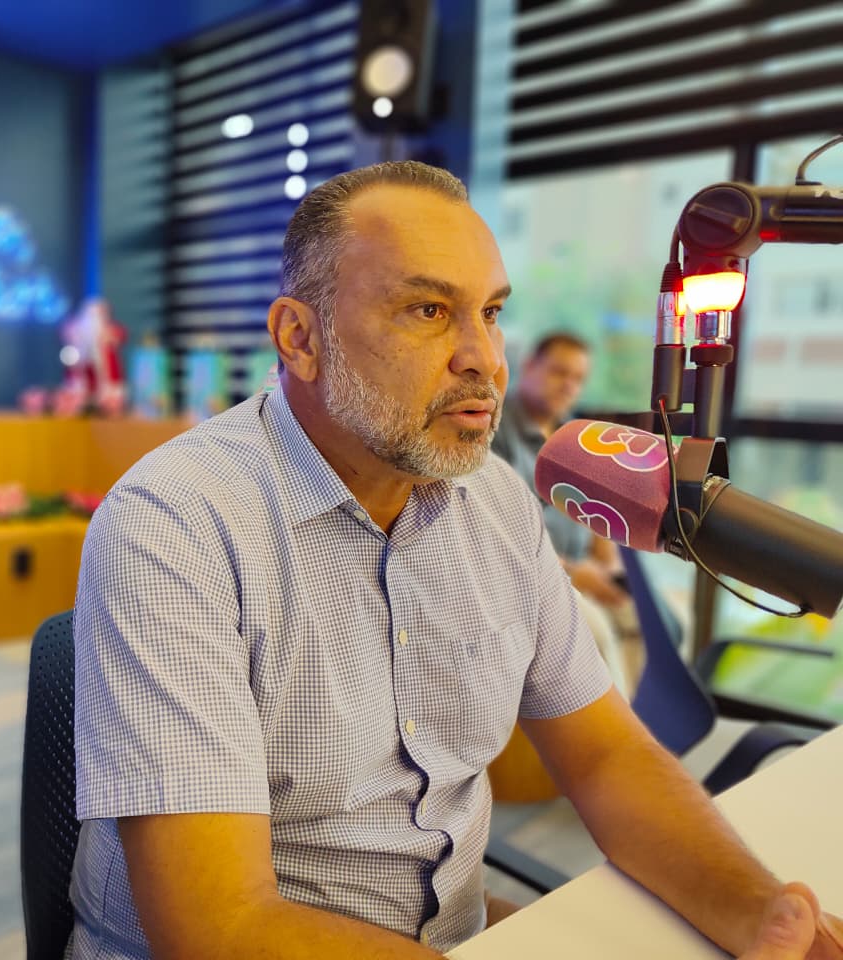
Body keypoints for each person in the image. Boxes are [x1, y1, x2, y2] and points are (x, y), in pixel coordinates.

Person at [69, 161, 842, 959]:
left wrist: (765, 918)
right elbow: (218, 927)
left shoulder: (497, 501)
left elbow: (608, 756)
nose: (484, 358)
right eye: (429, 311)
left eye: (492, 312)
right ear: (301, 338)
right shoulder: (175, 524)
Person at [491, 333, 630, 610]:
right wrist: (574, 574)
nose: (569, 386)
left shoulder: (580, 439)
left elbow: (599, 517)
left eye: (578, 379)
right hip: (533, 584)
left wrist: (612, 571)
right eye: (559, 372)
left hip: (586, 577)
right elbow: (499, 535)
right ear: (529, 366)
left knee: (667, 621)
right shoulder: (494, 429)